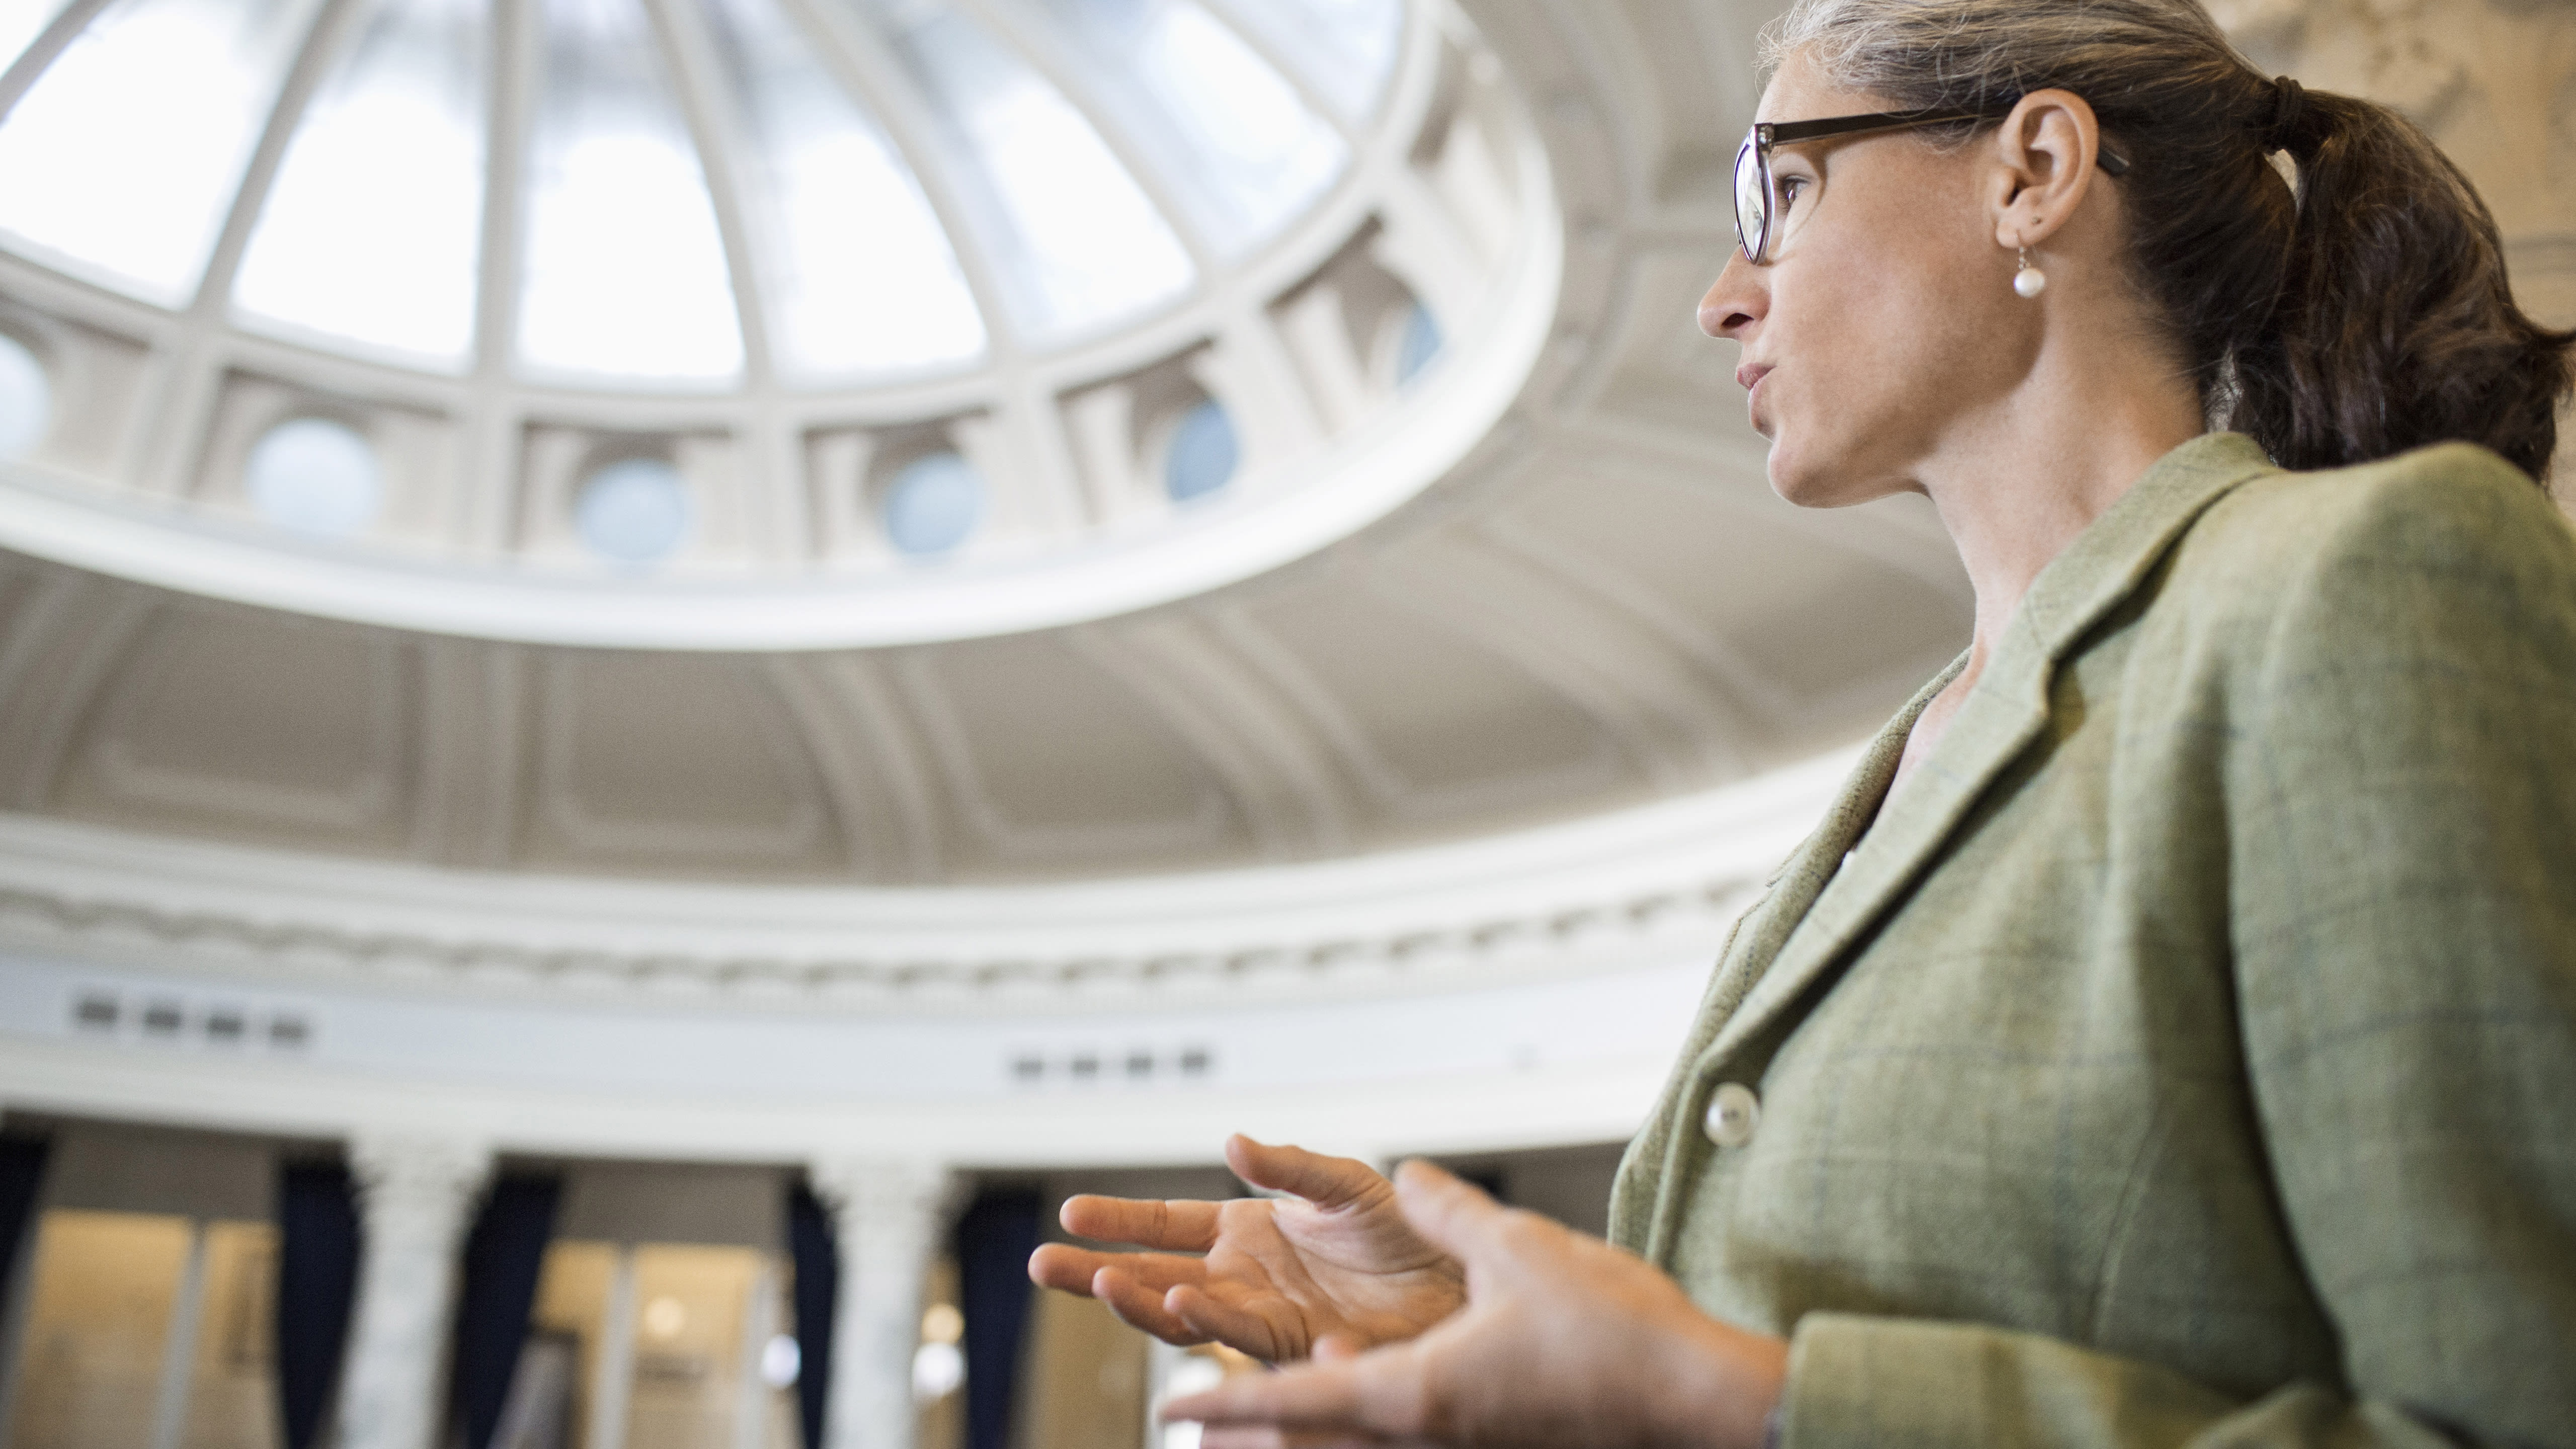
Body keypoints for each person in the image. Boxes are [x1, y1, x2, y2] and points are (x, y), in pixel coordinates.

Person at [1028, 0, 2576, 1443]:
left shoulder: (2368, 584)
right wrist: (1486, 1329)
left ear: (2033, 172)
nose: (1722, 297)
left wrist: (1750, 1396)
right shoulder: (1874, 794)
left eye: (1781, 194)